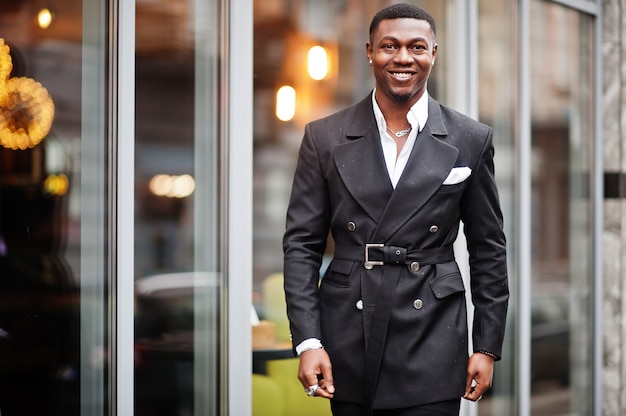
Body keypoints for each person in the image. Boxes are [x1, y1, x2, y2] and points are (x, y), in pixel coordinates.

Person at [282, 3, 509, 415]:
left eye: (416, 47)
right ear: (370, 51)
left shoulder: (470, 138)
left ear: (433, 53)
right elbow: (301, 245)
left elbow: (488, 247)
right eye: (390, 46)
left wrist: (487, 345)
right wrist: (309, 341)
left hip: (433, 334)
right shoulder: (325, 137)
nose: (403, 58)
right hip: (349, 334)